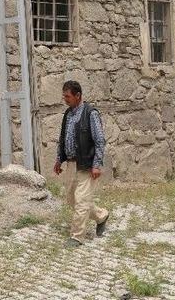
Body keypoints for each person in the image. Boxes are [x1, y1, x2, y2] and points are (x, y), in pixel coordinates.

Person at [53, 80, 109, 246]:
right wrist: (59, 159)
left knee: (81, 200)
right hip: (71, 164)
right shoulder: (68, 114)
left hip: (86, 164)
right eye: (64, 96)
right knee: (72, 199)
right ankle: (101, 216)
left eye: (68, 96)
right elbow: (63, 138)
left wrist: (97, 164)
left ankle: (76, 236)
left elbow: (100, 141)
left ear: (78, 96)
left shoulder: (90, 113)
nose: (65, 99)